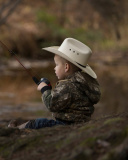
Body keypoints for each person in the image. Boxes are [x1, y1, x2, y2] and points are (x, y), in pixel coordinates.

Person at [8, 38, 101, 129]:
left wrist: (45, 89)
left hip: (66, 125)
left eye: (56, 65)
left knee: (39, 123)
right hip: (80, 123)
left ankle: (15, 130)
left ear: (66, 67)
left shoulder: (67, 86)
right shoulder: (82, 84)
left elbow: (51, 104)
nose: (54, 68)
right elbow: (64, 98)